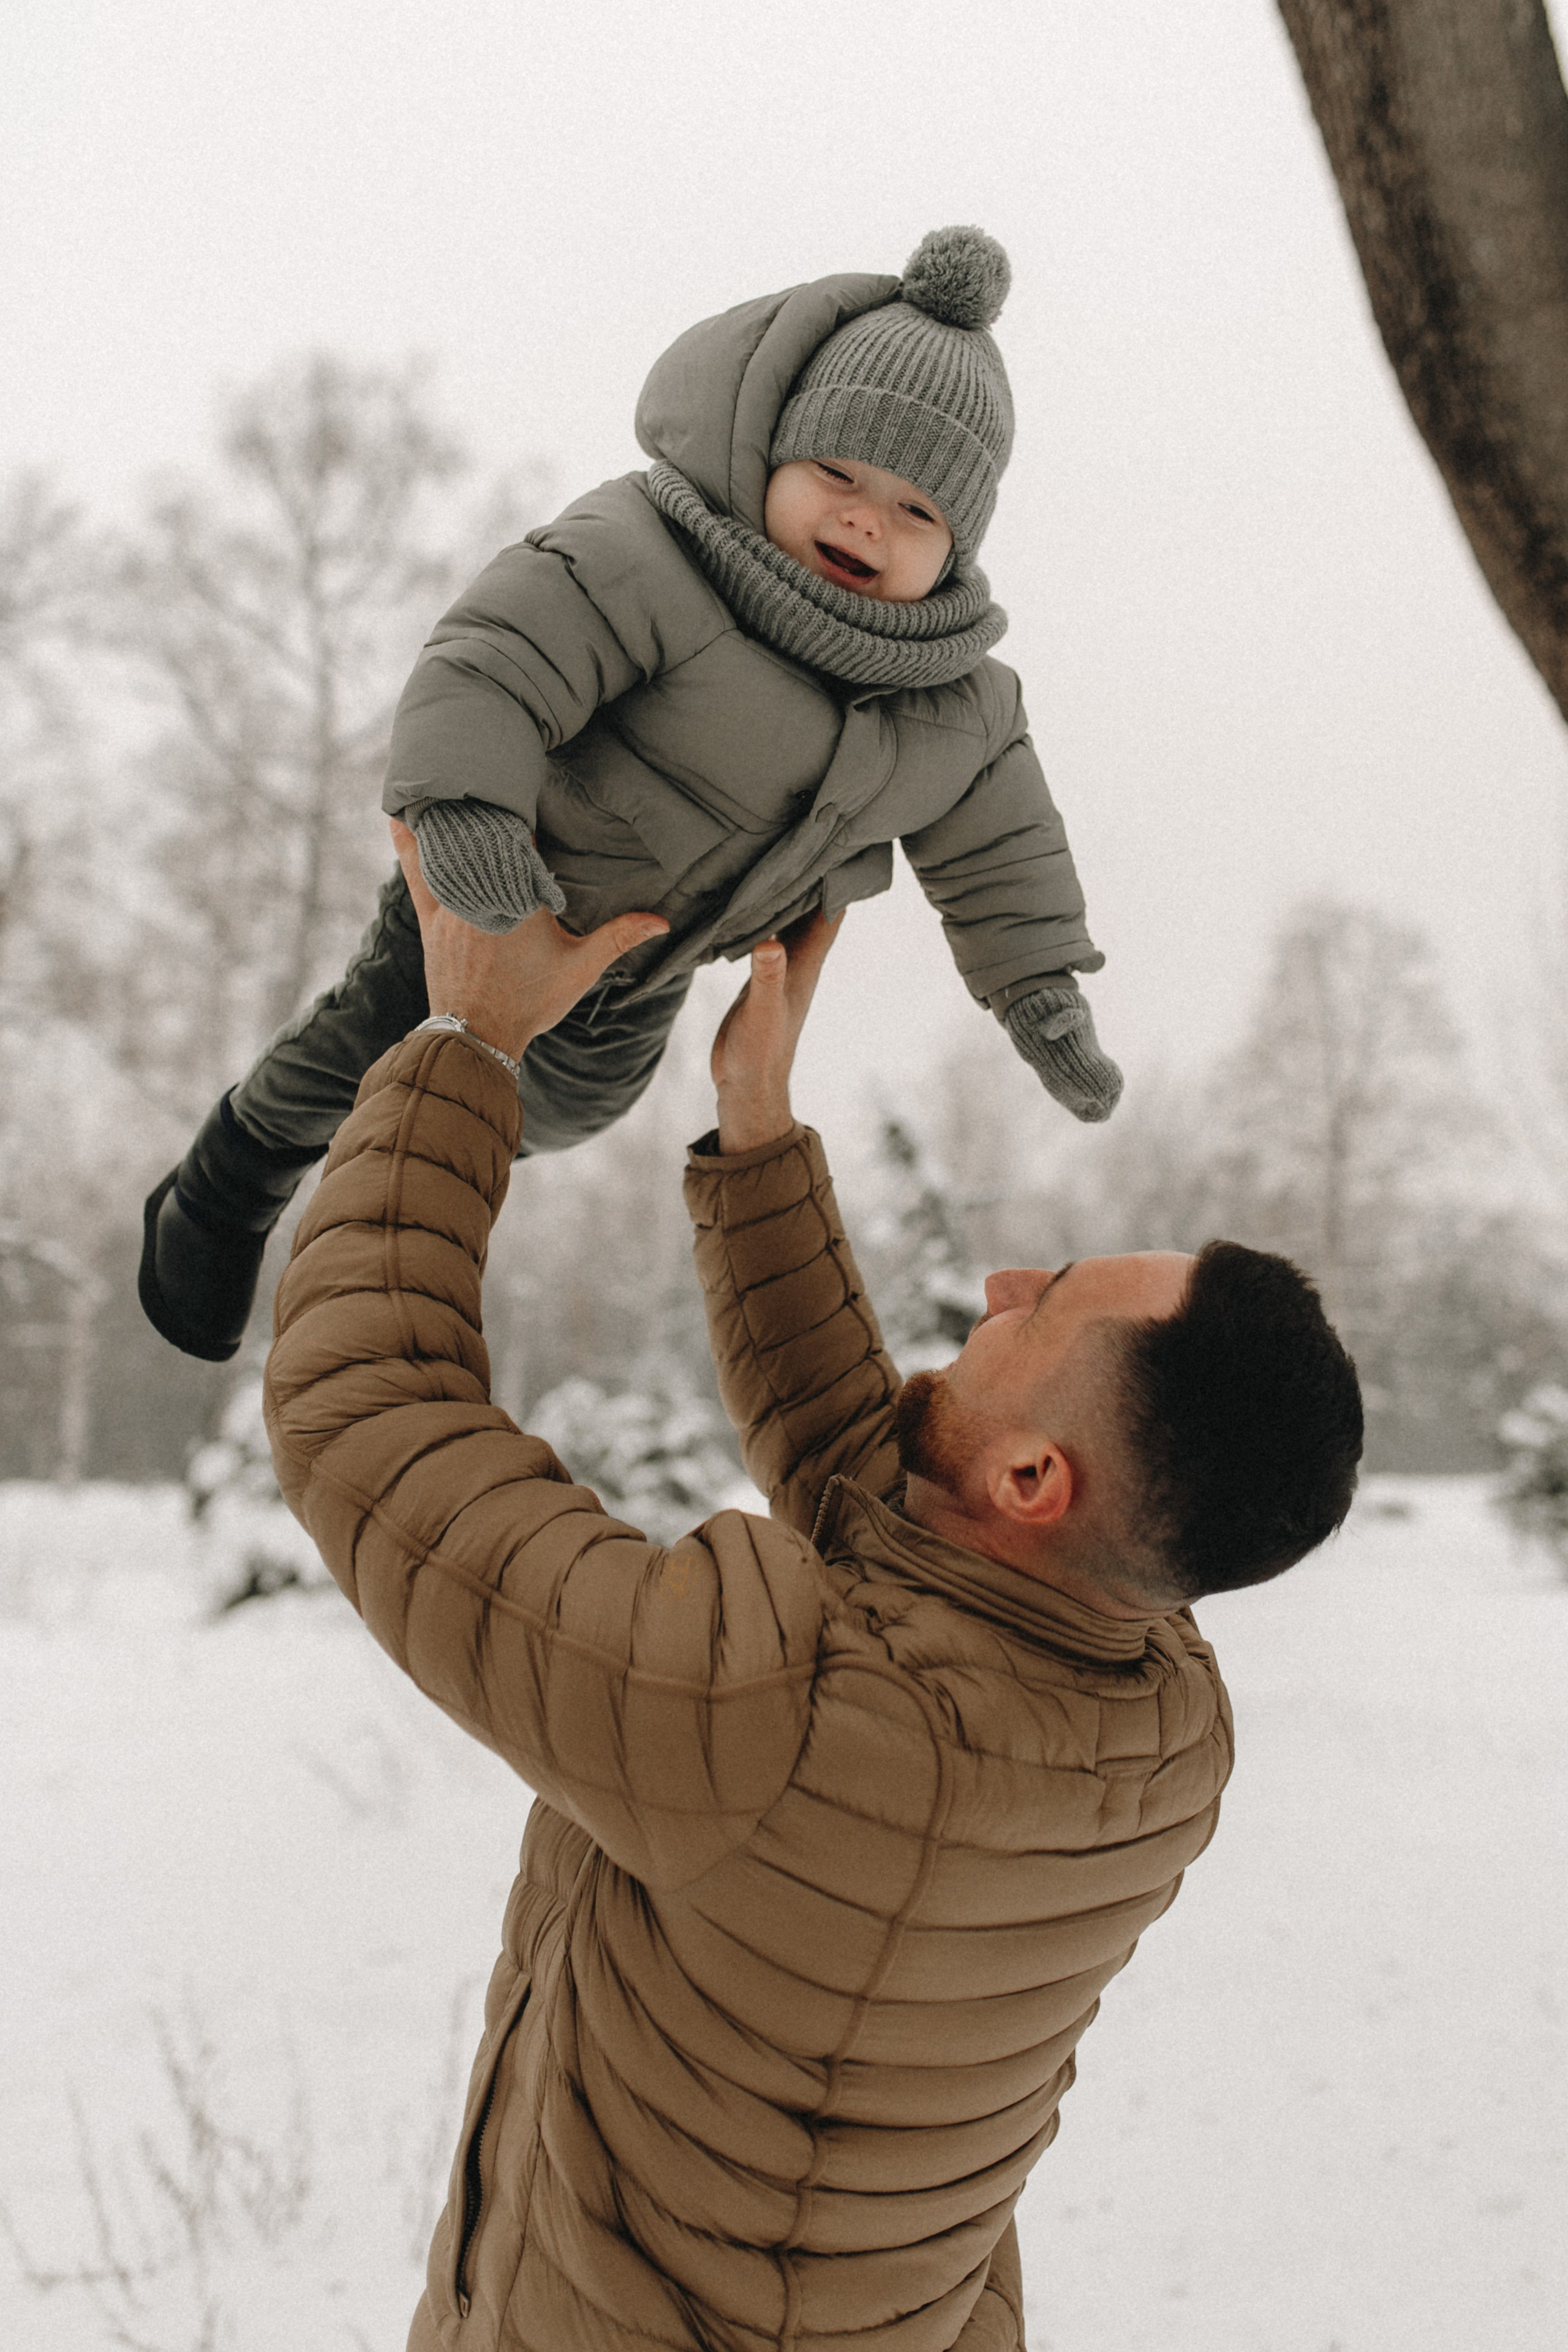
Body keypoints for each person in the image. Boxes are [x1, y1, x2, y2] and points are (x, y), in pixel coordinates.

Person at [262, 826, 1363, 2352]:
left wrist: (464, 1043)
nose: (1000, 1286)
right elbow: (902, 1520)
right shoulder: (1161, 1730)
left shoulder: (771, 1724)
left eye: (1042, 1304)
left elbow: (365, 1411)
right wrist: (757, 1128)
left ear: (1038, 1483)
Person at [143, 224, 1124, 1365]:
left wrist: (1040, 996)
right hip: (491, 898)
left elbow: (1005, 859)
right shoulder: (652, 552)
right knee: (371, 1047)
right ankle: (233, 1174)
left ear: (956, 549)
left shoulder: (957, 702)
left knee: (556, 1114)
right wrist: (470, 813)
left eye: (916, 512)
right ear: (769, 458)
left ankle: (382, 1161)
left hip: (645, 964)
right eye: (838, 475)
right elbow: (496, 659)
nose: (866, 518)